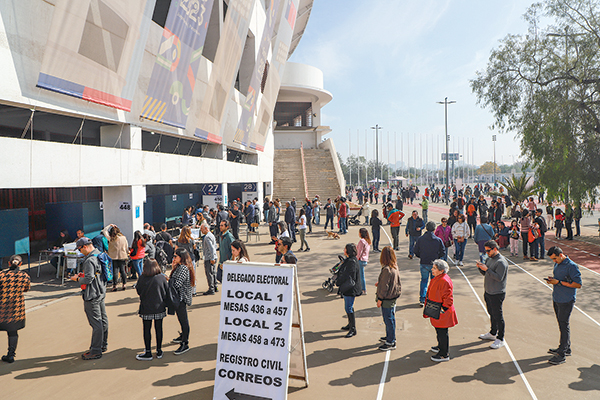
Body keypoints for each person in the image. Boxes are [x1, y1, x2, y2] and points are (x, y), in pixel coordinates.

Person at [545, 246, 582, 364]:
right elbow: (559, 279)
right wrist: (553, 280)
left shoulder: (571, 266)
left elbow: (578, 284)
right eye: (552, 260)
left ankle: (561, 354)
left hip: (566, 300)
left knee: (564, 325)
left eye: (555, 259)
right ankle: (566, 348)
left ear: (561, 255)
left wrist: (559, 282)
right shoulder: (558, 264)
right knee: (561, 324)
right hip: (557, 298)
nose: (554, 261)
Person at [72, 237, 108, 360]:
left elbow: (88, 279)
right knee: (103, 319)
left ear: (85, 247)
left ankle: (96, 350)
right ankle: (103, 344)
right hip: (101, 291)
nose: (80, 252)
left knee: (96, 322)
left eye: (80, 249)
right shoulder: (100, 254)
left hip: (92, 294)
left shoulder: (89, 261)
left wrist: (77, 279)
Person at [476, 240, 508, 350]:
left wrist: (487, 269)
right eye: (486, 251)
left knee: (498, 316)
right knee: (491, 313)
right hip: (488, 291)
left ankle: (500, 338)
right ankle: (493, 332)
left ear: (495, 249)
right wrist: (481, 268)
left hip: (497, 293)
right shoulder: (489, 259)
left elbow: (499, 278)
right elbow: (486, 273)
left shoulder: (501, 262)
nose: (487, 253)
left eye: (488, 251)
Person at [424, 259, 458, 362]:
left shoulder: (444, 281)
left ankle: (444, 353)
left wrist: (442, 310)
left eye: (435, 268)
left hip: (442, 312)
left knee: (442, 332)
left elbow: (448, 298)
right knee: (439, 331)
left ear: (441, 270)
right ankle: (440, 346)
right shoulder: (438, 278)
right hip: (437, 309)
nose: (432, 270)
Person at [135, 259, 168, 361]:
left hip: (146, 307)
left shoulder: (142, 278)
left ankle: (148, 352)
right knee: (159, 329)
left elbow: (139, 291)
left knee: (146, 329)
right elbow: (166, 291)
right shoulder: (161, 278)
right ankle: (159, 350)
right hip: (159, 307)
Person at [0, 255, 30, 363]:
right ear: (20, 264)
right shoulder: (24, 276)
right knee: (12, 333)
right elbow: (26, 289)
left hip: (2, 307)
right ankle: (11, 355)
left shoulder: (1, 275)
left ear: (9, 263)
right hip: (15, 309)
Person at [376, 247, 402, 351]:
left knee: (388, 319)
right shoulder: (394, 267)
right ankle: (391, 337)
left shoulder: (386, 269)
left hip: (387, 298)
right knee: (391, 318)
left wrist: (379, 299)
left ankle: (390, 341)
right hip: (393, 296)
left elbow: (385, 287)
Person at [170, 248, 195, 355]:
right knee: (181, 319)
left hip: (182, 298)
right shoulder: (180, 267)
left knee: (183, 319)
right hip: (179, 297)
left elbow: (176, 284)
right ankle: (183, 336)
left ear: (181, 257)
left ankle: (185, 342)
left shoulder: (183, 269)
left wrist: (169, 280)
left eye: (176, 256)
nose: (174, 258)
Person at [415, 221, 446, 306]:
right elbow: (443, 252)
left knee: (424, 281)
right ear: (434, 229)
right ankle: (433, 298)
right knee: (434, 282)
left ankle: (422, 299)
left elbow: (415, 251)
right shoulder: (438, 240)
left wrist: (421, 256)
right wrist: (437, 257)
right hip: (434, 264)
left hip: (424, 262)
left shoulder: (420, 239)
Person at [336, 243, 362, 338]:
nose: (344, 250)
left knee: (349, 308)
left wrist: (339, 280)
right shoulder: (351, 260)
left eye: (345, 249)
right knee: (349, 307)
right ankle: (350, 324)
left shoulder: (351, 262)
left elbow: (349, 276)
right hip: (349, 288)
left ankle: (353, 329)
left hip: (350, 289)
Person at [104, 224, 128, 291]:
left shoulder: (111, 238)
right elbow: (126, 246)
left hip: (113, 257)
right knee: (123, 270)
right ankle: (124, 284)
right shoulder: (124, 238)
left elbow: (104, 231)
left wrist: (109, 225)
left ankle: (115, 286)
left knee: (115, 271)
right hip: (122, 256)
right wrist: (127, 252)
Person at [175, 226, 197, 295]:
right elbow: (194, 249)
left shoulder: (178, 241)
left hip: (182, 260)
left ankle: (183, 290)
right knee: (192, 274)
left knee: (181, 275)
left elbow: (176, 250)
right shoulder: (191, 240)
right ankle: (193, 291)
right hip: (190, 259)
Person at [200, 222, 218, 295]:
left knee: (209, 273)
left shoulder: (207, 237)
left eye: (202, 229)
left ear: (206, 228)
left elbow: (211, 248)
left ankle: (211, 288)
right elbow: (215, 246)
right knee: (213, 272)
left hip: (209, 258)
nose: (201, 230)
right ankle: (215, 286)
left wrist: (212, 258)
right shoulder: (211, 235)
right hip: (213, 256)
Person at [357, 228, 371, 295]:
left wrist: (356, 258)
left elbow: (359, 251)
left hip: (361, 260)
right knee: (361, 275)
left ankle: (363, 289)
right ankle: (362, 288)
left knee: (361, 276)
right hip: (365, 259)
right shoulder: (367, 241)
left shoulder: (361, 241)